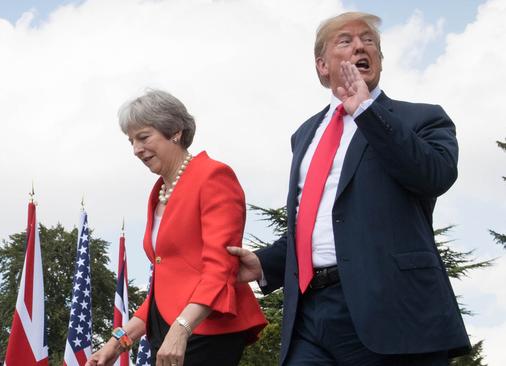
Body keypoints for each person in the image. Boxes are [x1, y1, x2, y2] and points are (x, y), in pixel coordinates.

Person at [227, 12, 471, 365]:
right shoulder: (305, 134)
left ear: (379, 61)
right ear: (322, 66)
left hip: (391, 310)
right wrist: (264, 264)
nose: (360, 45)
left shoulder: (422, 118)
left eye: (368, 40)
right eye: (346, 40)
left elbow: (434, 176)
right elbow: (319, 219)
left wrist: (367, 112)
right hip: (310, 316)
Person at [86, 89, 266, 366]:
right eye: (131, 141)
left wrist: (182, 328)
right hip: (167, 330)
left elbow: (220, 268)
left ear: (175, 132)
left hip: (205, 328)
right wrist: (118, 342)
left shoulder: (213, 176)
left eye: (143, 137)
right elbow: (165, 288)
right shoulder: (159, 191)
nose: (136, 149)